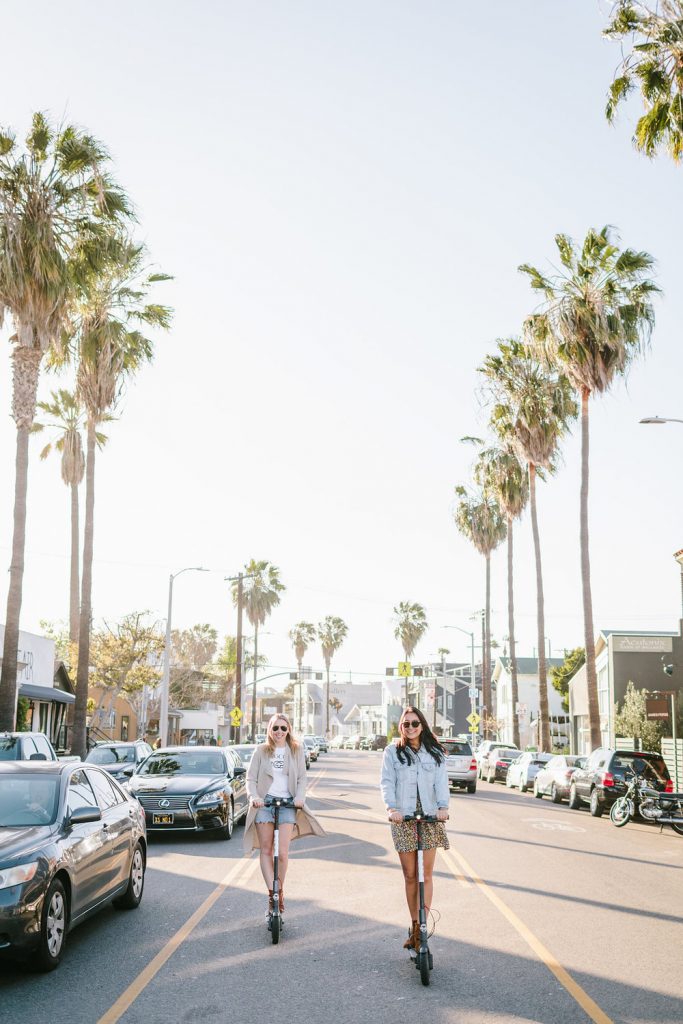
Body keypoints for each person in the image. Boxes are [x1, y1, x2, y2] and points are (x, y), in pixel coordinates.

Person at [380, 706, 450, 953]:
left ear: (422, 725)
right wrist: (391, 809)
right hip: (404, 817)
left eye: (414, 723)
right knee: (410, 875)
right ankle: (414, 925)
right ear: (401, 727)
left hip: (430, 816)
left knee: (426, 875)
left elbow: (441, 783)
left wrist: (443, 808)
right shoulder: (392, 752)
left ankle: (422, 925)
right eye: (406, 724)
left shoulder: (435, 753)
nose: (410, 728)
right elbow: (387, 782)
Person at [244, 713, 325, 921]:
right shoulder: (261, 751)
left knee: (283, 852)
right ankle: (273, 894)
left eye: (283, 728)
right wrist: (254, 797)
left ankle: (280, 889)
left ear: (288, 729)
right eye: (275, 728)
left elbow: (301, 777)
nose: (279, 732)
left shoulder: (296, 750)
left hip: (288, 803)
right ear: (269, 730)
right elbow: (251, 778)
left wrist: (299, 797)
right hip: (265, 803)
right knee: (267, 849)